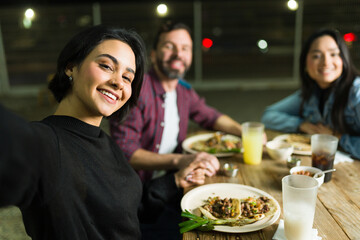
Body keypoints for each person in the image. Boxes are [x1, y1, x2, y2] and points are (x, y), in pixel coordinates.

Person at [0, 25, 208, 240]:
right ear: (71, 66)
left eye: (128, 77)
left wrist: (174, 180)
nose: (118, 82)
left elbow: (126, 211)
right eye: (106, 66)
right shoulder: (45, 143)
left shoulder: (104, 142)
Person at [109, 20, 245, 240]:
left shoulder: (183, 91)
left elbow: (211, 116)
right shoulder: (138, 90)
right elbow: (126, 152)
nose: (178, 54)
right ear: (153, 54)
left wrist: (245, 132)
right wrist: (180, 161)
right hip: (139, 200)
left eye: (185, 48)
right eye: (169, 46)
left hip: (172, 186)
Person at [261, 28, 360, 159]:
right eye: (316, 56)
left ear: (344, 59)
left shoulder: (356, 93)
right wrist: (302, 125)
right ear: (305, 65)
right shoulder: (310, 93)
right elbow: (268, 116)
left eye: (333, 54)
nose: (326, 62)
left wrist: (339, 137)